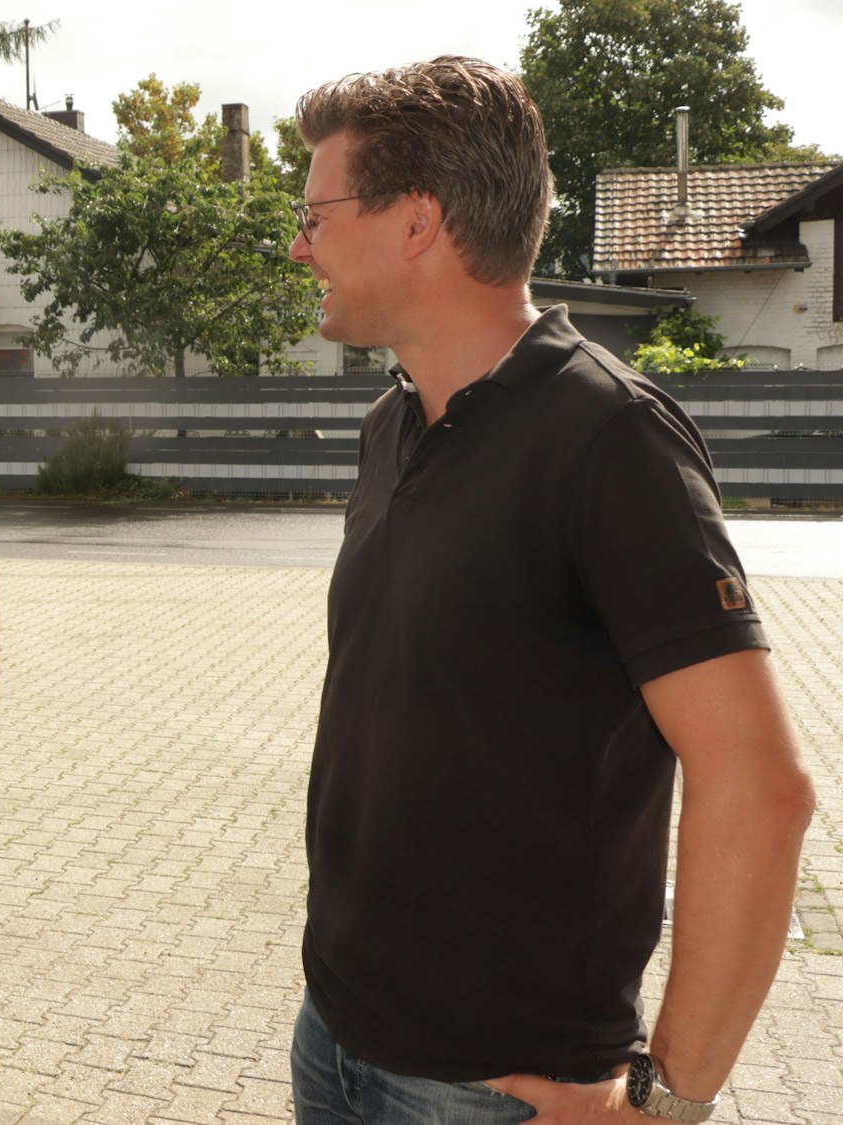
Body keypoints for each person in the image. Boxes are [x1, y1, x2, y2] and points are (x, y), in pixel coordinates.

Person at [285, 56, 815, 1124]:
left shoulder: (607, 436)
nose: (298, 247)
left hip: (499, 1089)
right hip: (335, 1039)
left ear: (415, 221)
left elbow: (758, 790)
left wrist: (663, 1101)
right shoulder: (390, 426)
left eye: (313, 214)